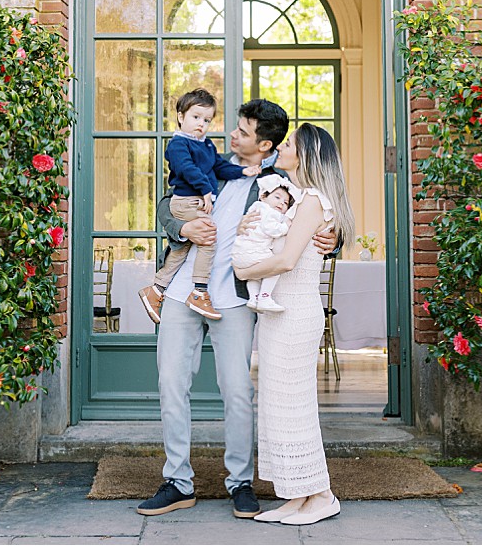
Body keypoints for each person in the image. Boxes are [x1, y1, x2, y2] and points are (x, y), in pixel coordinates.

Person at [135, 100, 338, 521]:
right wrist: (181, 227)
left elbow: (324, 217)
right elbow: (165, 203)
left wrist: (332, 239)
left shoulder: (282, 182)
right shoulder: (204, 157)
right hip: (180, 292)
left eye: (243, 132)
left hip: (236, 300)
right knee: (171, 385)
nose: (232, 135)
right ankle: (177, 481)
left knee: (238, 393)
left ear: (265, 144)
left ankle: (240, 482)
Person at [233, 123, 354, 526]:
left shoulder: (314, 201)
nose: (282, 148)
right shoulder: (297, 197)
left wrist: (243, 268)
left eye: (289, 145)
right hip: (278, 313)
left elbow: (285, 260)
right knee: (277, 407)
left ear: (305, 156)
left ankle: (321, 494)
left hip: (295, 314)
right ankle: (295, 495)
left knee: (295, 408)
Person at [138, 88, 258, 323]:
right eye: (195, 117)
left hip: (195, 201)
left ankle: (155, 289)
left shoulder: (206, 145)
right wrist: (205, 189)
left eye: (206, 120)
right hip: (186, 201)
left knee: (181, 250)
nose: (201, 124)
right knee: (208, 239)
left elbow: (219, 167)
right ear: (181, 116)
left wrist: (243, 171)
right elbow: (186, 169)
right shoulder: (178, 144)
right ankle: (199, 291)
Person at [233, 175, 297, 313]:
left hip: (239, 255)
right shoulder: (269, 212)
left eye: (286, 203)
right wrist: (285, 226)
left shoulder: (255, 208)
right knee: (273, 268)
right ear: (263, 196)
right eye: (277, 197)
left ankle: (253, 298)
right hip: (254, 253)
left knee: (254, 275)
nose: (281, 203)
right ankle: (265, 297)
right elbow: (272, 230)